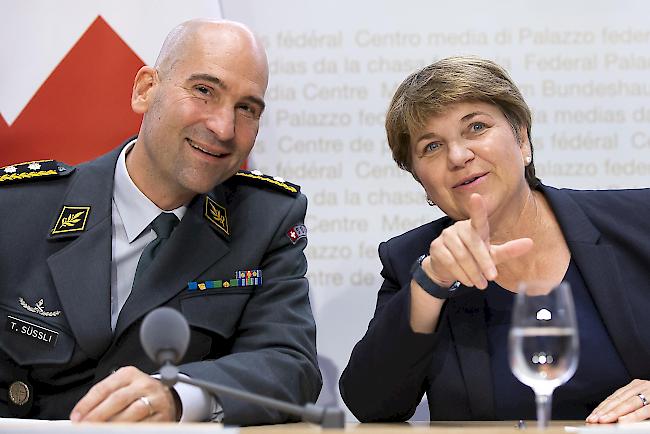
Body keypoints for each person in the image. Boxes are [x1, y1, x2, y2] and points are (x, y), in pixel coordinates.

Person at [0, 19, 321, 424]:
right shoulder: (15, 208)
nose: (223, 128)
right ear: (145, 90)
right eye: (204, 91)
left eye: (246, 109)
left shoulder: (265, 220)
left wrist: (180, 396)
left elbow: (289, 365)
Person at [339, 56, 650, 424]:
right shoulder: (412, 261)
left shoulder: (638, 219)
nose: (458, 155)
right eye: (432, 147)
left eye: (476, 127)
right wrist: (430, 285)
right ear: (422, 182)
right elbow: (371, 404)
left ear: (521, 139)